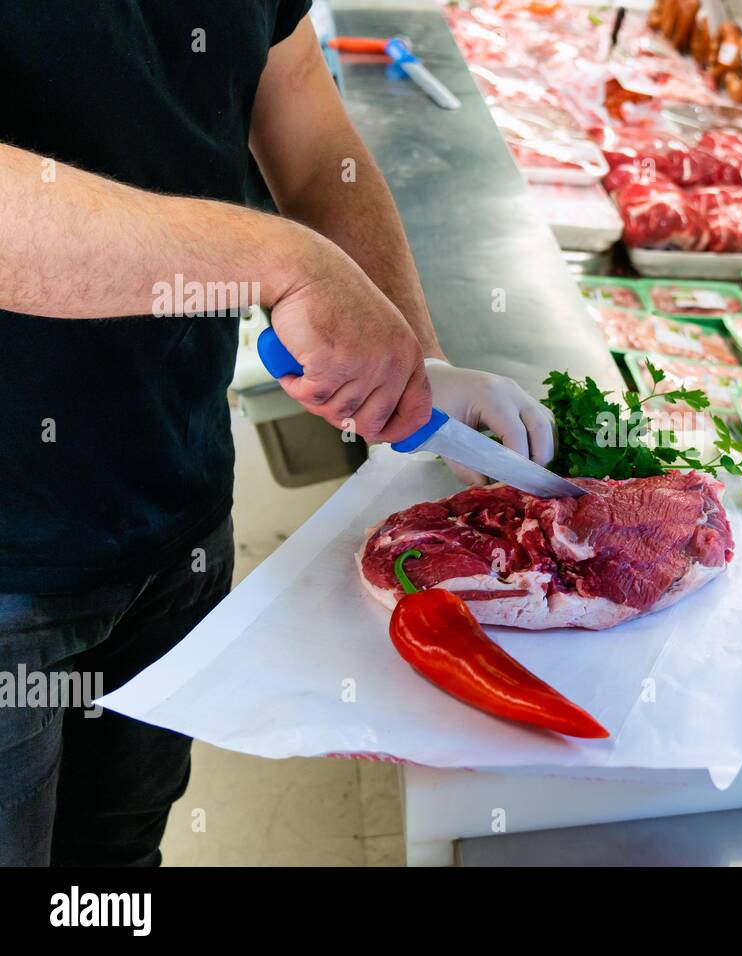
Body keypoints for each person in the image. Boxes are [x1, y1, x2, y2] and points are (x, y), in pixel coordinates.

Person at [0, 3, 554, 866]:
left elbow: (306, 128)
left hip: (173, 512)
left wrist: (416, 355)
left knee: (113, 868)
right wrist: (284, 263)